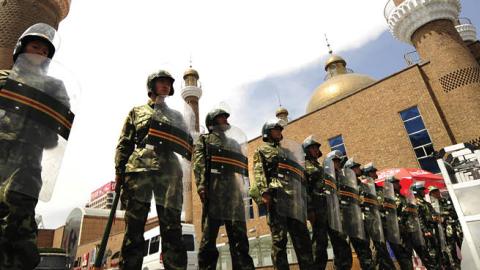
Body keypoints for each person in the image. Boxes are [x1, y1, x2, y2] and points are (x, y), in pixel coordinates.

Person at [0, 23, 70, 270]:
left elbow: (56, 134)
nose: (39, 52)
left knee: (19, 233)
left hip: (25, 171)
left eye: (44, 51)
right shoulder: (2, 79)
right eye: (35, 46)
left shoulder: (54, 89)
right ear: (21, 48)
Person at [115, 70, 187, 270]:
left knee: (172, 227)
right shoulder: (137, 112)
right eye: (161, 82)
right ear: (152, 86)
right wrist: (119, 171)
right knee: (135, 227)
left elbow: (185, 143)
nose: (165, 85)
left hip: (170, 173)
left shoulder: (176, 116)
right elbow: (124, 144)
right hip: (139, 171)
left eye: (168, 83)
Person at [192, 108, 255, 270]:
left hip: (233, 194)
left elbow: (241, 167)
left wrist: (244, 188)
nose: (226, 120)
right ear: (213, 122)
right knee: (209, 238)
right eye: (222, 118)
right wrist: (201, 186)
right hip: (214, 191)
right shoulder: (204, 140)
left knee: (239, 237)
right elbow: (199, 164)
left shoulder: (234, 143)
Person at [251, 119, 315, 270]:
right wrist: (264, 193)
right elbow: (259, 172)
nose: (280, 132)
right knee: (280, 242)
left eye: (281, 129)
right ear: (267, 132)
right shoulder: (261, 150)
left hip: (295, 202)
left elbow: (300, 179)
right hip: (277, 199)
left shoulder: (289, 152)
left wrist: (308, 203)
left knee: (303, 240)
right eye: (276, 129)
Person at [303, 137, 352, 269]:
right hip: (317, 210)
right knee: (320, 245)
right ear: (306, 150)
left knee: (340, 241)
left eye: (316, 148)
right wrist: (309, 209)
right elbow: (304, 188)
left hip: (331, 209)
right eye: (312, 148)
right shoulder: (303, 166)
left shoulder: (322, 167)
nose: (315, 150)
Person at [361, 163, 395, 270]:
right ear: (368, 174)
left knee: (382, 250)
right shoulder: (363, 187)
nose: (375, 174)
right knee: (380, 249)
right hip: (371, 222)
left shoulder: (379, 189)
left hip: (383, 222)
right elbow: (362, 203)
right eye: (373, 172)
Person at [344, 158, 376, 270]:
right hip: (354, 223)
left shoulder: (363, 185)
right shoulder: (345, 184)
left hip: (366, 221)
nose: (359, 169)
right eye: (356, 167)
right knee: (362, 252)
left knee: (367, 251)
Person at [428, 186, 461, 269]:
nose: (436, 193)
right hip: (442, 230)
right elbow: (432, 217)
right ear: (431, 194)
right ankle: (452, 264)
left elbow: (453, 212)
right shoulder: (431, 205)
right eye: (434, 192)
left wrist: (444, 215)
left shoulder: (445, 201)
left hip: (453, 227)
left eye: (437, 191)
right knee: (448, 248)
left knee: (459, 244)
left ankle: (460, 262)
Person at [410, 182, 441, 269]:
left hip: (433, 229)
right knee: (431, 253)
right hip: (426, 232)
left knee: (437, 251)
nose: (424, 192)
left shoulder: (425, 203)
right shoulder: (416, 203)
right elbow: (418, 219)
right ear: (417, 191)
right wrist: (425, 230)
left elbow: (433, 214)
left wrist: (436, 217)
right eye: (422, 190)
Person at [386, 177, 414, 270]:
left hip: (406, 229)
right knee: (403, 258)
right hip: (397, 231)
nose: (398, 184)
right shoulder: (387, 197)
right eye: (395, 182)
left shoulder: (401, 196)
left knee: (408, 255)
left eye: (398, 182)